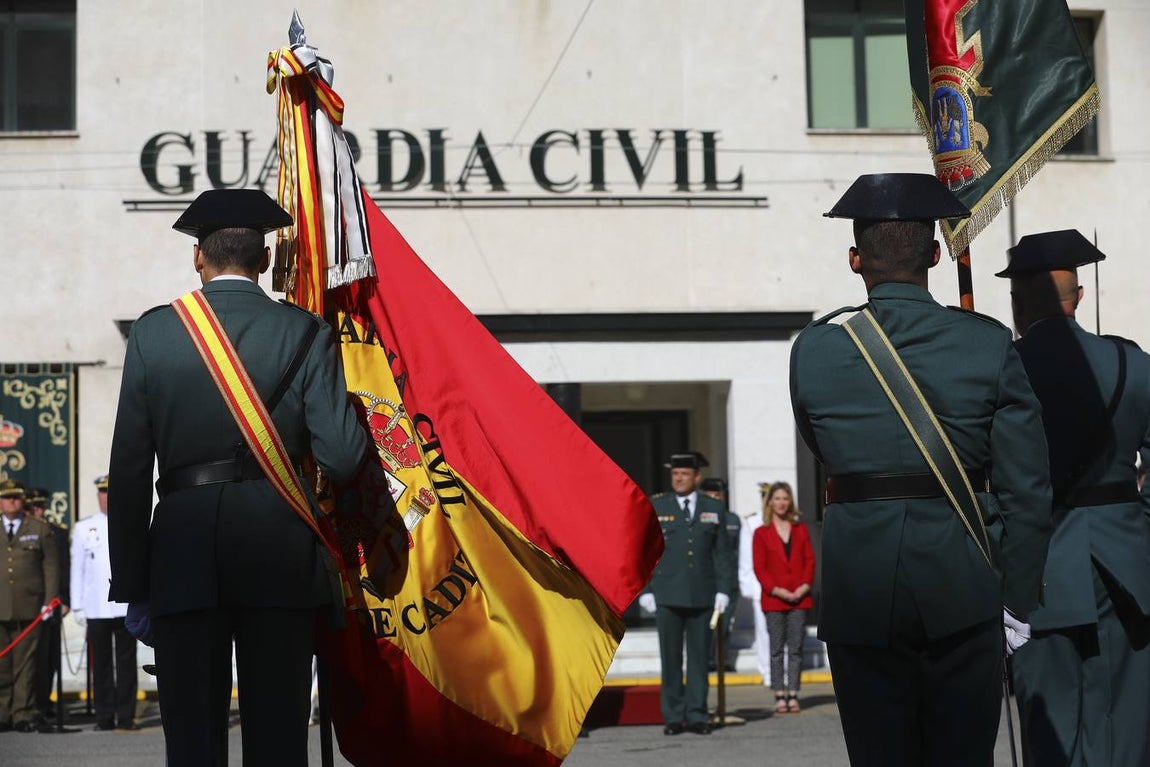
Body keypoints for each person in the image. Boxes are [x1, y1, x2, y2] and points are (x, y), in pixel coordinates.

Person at [790, 173, 1053, 766]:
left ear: (856, 259)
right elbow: (1026, 486)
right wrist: (1018, 594)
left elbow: (821, 447)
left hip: (861, 582)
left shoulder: (815, 347)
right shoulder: (987, 343)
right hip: (962, 579)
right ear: (936, 255)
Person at [106, 189, 368, 767]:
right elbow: (344, 458)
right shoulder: (306, 331)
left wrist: (133, 579)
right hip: (279, 549)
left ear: (197, 257)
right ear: (266, 260)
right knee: (277, 741)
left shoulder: (152, 333)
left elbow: (128, 469)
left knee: (193, 743)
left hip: (180, 553)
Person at [996, 229, 1150, 767]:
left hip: (1038, 570)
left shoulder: (1003, 367)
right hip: (1127, 569)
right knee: (1124, 732)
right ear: (1079, 296)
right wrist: (1136, 523)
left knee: (1051, 729)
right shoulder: (1133, 364)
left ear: (1017, 303)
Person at [638, 452, 732, 736]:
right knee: (670, 658)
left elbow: (723, 554)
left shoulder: (712, 507)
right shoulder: (658, 505)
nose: (678, 478)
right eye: (675, 474)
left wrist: (724, 590)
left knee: (700, 658)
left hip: (703, 593)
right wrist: (646, 590)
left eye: (684, 474)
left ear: (696, 477)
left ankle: (697, 714)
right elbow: (644, 552)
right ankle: (673, 716)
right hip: (667, 593)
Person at [72, 474, 139, 731]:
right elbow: (78, 569)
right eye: (103, 492)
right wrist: (77, 605)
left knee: (125, 664)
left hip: (124, 605)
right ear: (98, 495)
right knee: (100, 665)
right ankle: (104, 717)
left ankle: (126, 716)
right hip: (96, 606)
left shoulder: (130, 524)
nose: (107, 497)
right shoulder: (83, 528)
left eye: (111, 492)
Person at [0, 478, 60, 733]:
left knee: (25, 664)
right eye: (6, 497)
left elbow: (51, 567)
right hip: (0, 606)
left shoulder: (38, 527)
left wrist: (50, 601)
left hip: (30, 606)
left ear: (22, 500)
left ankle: (22, 713)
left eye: (15, 497)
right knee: (2, 664)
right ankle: (3, 712)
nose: (11, 501)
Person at [751, 480, 814, 714]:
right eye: (777, 498)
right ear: (770, 502)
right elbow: (760, 567)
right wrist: (777, 590)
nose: (781, 503)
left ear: (790, 502)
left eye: (785, 498)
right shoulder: (761, 532)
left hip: (799, 598)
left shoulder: (801, 530)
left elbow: (810, 560)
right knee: (777, 648)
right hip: (774, 599)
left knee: (795, 648)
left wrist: (804, 587)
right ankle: (779, 693)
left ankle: (794, 692)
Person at [700, 477, 740, 672]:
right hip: (708, 580)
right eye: (711, 496)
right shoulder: (701, 517)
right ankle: (706, 659)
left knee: (724, 625)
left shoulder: (733, 520)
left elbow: (740, 552)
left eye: (718, 495)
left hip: (730, 581)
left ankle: (721, 658)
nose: (715, 499)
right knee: (707, 624)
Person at [737, 483, 773, 688]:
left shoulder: (787, 520)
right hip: (761, 586)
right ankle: (767, 670)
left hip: (783, 587)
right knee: (763, 632)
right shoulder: (752, 522)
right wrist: (749, 586)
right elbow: (746, 559)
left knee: (784, 632)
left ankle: (783, 669)